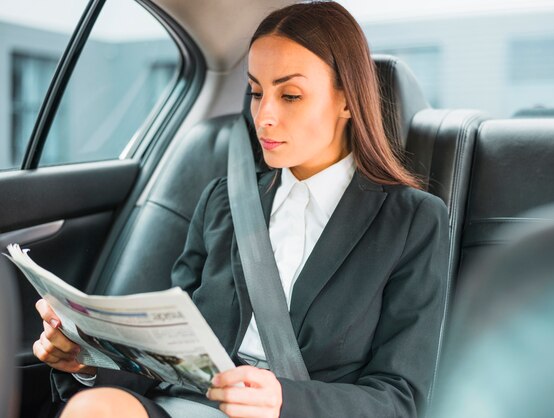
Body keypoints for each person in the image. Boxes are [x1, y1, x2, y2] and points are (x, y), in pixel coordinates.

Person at [33, 2, 450, 417]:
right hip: (192, 406)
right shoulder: (222, 202)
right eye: (255, 92)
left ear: (347, 100)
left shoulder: (413, 222)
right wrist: (89, 363)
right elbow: (169, 356)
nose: (264, 115)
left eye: (290, 95)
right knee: (96, 407)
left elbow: (401, 400)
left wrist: (284, 400)